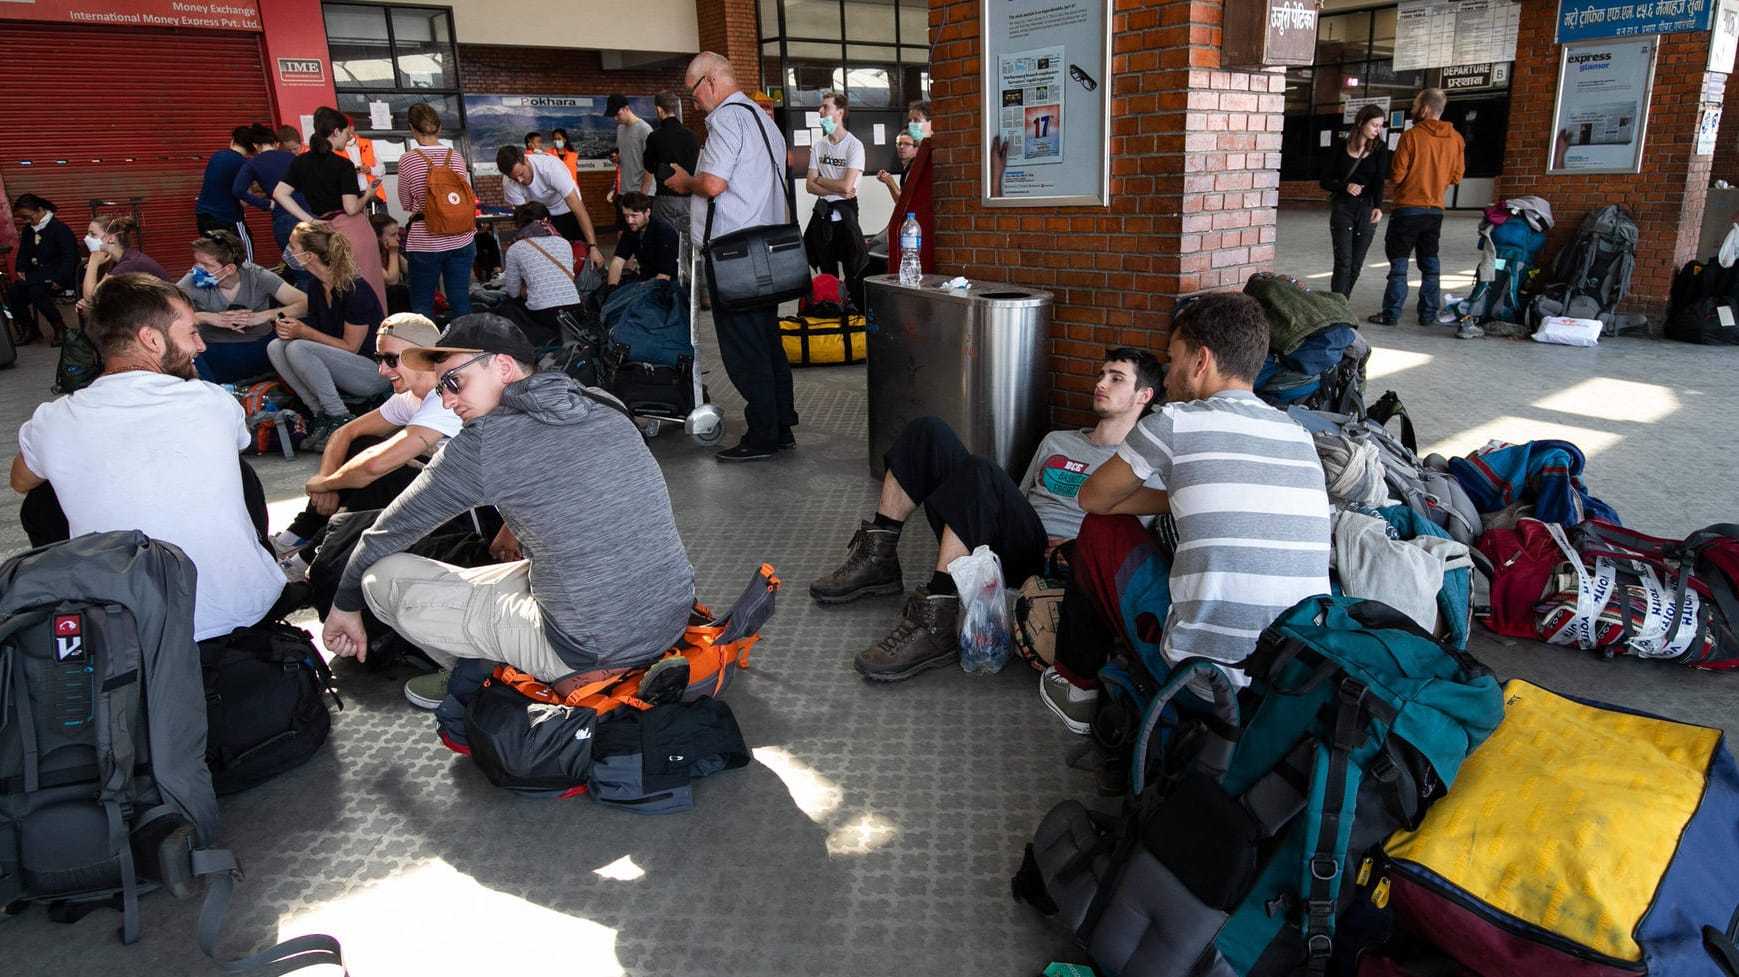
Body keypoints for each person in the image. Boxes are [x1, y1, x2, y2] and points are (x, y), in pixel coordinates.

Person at [319, 315, 697, 709]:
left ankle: (484, 681)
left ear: (502, 366)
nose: (446, 399)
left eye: (453, 381)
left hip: (590, 647)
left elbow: (388, 533)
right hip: (670, 613)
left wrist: (344, 607)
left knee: (381, 578)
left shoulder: (484, 442)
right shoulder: (602, 401)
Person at [1041, 294, 1332, 733]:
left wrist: (1176, 494)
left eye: (1174, 359)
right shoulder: (1297, 433)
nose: (1169, 372)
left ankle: (1076, 687)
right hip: (1296, 679)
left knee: (1102, 530)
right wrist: (1186, 496)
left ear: (1201, 361)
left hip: (1207, 684)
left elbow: (1093, 499)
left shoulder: (1174, 422)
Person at [810, 349, 1162, 682]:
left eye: (1116, 378)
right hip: (1018, 540)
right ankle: (878, 561)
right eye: (1102, 374)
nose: (1101, 383)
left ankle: (936, 620)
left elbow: (1129, 545)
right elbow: (1021, 499)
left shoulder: (1142, 469)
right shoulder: (1057, 441)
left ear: (1143, 395)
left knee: (981, 471)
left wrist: (1076, 550)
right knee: (927, 431)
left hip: (1059, 564)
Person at [11, 273, 286, 641]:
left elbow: (20, 481)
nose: (200, 346)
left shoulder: (53, 419)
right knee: (237, 468)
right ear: (151, 339)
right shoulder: (212, 401)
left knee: (42, 495)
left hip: (127, 633)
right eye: (191, 333)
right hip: (244, 610)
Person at [666, 51, 796, 462]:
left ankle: (761, 437)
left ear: (710, 81)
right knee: (767, 340)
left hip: (734, 254)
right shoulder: (764, 121)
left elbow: (715, 183)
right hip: (768, 250)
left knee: (744, 348)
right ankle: (780, 426)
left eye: (693, 93)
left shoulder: (725, 119)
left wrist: (687, 181)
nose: (694, 102)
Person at [270, 313, 464, 576]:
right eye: (379, 359)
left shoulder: (444, 398)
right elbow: (345, 433)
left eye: (391, 359)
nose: (382, 370)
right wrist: (327, 481)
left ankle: (313, 555)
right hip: (442, 499)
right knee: (363, 445)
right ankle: (301, 535)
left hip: (468, 513)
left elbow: (375, 465)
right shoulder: (411, 396)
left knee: (388, 473)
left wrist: (326, 484)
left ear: (421, 355)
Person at [268, 220, 389, 450]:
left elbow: (351, 346)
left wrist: (303, 332)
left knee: (297, 347)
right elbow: (317, 330)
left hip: (372, 370)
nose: (289, 252)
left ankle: (339, 415)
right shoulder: (316, 286)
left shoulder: (354, 289)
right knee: (276, 346)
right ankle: (320, 413)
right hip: (342, 364)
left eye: (293, 247)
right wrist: (292, 329)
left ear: (310, 256)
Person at [274, 106, 389, 313]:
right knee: (368, 287)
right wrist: (369, 195)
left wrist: (309, 220)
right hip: (353, 230)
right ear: (336, 132)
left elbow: (280, 193)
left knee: (337, 289)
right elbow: (351, 208)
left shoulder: (301, 161)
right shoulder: (342, 165)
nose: (348, 138)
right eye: (347, 133)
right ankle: (375, 335)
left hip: (324, 232)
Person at [1370, 88, 1465, 327]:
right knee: (1430, 263)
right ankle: (1428, 314)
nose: (1412, 110)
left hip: (1407, 209)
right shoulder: (1456, 139)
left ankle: (1391, 313)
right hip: (1435, 210)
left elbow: (1398, 175)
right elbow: (1456, 177)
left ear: (1424, 109)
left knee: (1400, 264)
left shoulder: (1411, 137)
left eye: (1414, 106)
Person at [177, 229, 308, 383]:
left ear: (230, 269)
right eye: (196, 262)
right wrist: (204, 318)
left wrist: (263, 316)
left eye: (206, 265)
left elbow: (306, 304)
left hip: (259, 347)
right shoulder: (190, 281)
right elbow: (163, 314)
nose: (197, 269)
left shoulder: (257, 276)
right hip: (213, 350)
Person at [396, 103, 476, 320]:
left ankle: (426, 351)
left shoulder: (408, 160)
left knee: (422, 304)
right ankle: (465, 347)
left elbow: (405, 201)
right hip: (462, 238)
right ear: (439, 128)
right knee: (460, 301)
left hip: (426, 241)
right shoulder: (456, 157)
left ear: (412, 129)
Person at [804, 91, 867, 311]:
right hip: (823, 214)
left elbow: (847, 187)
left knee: (853, 270)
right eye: (820, 108)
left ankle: (856, 314)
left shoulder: (854, 146)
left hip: (846, 213)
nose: (821, 112)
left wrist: (821, 179)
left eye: (826, 108)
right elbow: (809, 185)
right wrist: (833, 184)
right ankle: (831, 311)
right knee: (826, 270)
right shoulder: (819, 146)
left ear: (839, 113)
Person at [495, 144, 605, 265]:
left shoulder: (550, 167)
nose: (520, 180)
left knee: (582, 253)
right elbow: (525, 220)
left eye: (521, 174)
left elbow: (579, 210)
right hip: (542, 213)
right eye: (515, 178)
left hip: (566, 207)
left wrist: (593, 246)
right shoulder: (509, 183)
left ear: (526, 160)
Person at [1322, 104, 1387, 300]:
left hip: (1367, 208)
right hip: (1344, 208)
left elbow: (1379, 181)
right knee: (1343, 261)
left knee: (1356, 264)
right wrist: (1345, 186)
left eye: (1380, 126)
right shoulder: (1340, 148)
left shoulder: (1380, 150)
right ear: (1361, 123)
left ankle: (1342, 303)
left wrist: (1378, 206)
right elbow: (1325, 180)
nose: (1378, 130)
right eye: (1374, 125)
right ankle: (1338, 306)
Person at [500, 202, 582, 345]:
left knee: (508, 307)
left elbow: (513, 292)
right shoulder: (564, 243)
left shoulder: (515, 248)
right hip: (573, 308)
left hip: (542, 313)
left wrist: (525, 288)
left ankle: (542, 337)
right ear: (545, 220)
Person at [642, 91, 699, 260]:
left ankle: (669, 277)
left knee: (666, 242)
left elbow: (649, 166)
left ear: (658, 110)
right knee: (688, 240)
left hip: (665, 197)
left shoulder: (655, 137)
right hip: (690, 197)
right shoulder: (690, 135)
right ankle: (689, 277)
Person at [233, 124, 305, 256]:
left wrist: (266, 204)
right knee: (314, 261)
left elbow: (238, 190)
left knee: (297, 265)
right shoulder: (291, 158)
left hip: (283, 217)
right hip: (305, 214)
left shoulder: (252, 163)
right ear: (276, 143)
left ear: (255, 146)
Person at [194, 125, 257, 262]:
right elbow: (244, 201)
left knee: (214, 260)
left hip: (204, 217)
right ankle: (248, 283)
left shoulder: (217, 156)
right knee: (244, 259)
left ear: (233, 140)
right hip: (228, 218)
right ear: (253, 146)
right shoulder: (244, 164)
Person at [79, 215, 170, 306]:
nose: (87, 238)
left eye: (93, 234)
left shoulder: (130, 264)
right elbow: (98, 296)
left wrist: (92, 263)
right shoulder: (117, 260)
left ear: (111, 239)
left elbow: (91, 299)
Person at [888, 100, 935, 275]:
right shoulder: (920, 157)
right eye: (910, 120)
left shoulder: (933, 155)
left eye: (917, 120)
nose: (912, 125)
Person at [607, 192, 678, 286]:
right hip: (645, 280)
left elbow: (665, 275)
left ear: (647, 212)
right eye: (626, 216)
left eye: (634, 216)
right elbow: (617, 261)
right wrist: (612, 287)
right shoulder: (630, 230)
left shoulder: (664, 230)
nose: (629, 221)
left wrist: (638, 291)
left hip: (669, 285)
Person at [608, 94, 655, 230]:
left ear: (627, 108)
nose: (616, 118)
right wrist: (617, 159)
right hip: (625, 189)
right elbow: (627, 154)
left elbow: (650, 164)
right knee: (622, 231)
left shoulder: (644, 129)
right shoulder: (620, 129)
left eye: (617, 114)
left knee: (641, 233)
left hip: (641, 191)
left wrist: (643, 195)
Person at [372, 213, 411, 314]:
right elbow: (392, 281)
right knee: (397, 291)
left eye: (397, 234)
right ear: (377, 237)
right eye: (393, 235)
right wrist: (393, 252)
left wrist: (396, 254)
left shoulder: (388, 251)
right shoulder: (370, 254)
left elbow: (410, 271)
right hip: (376, 298)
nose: (398, 238)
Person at [876, 131, 918, 200]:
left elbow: (906, 201)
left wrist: (891, 182)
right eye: (899, 144)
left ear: (916, 149)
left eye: (907, 144)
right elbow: (899, 202)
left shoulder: (915, 168)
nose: (902, 147)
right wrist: (888, 183)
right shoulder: (906, 169)